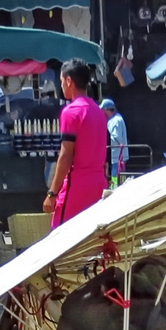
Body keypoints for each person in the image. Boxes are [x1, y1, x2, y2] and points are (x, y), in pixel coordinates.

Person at [45, 59, 109, 225]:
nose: (61, 86)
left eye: (61, 81)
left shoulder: (71, 112)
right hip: (99, 184)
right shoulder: (99, 112)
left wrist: (52, 193)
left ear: (68, 81)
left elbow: (65, 156)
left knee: (60, 237)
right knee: (93, 239)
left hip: (77, 186)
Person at [102, 98, 129, 177]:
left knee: (116, 177)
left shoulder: (115, 120)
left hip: (117, 156)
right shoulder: (114, 119)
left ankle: (116, 188)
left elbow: (116, 137)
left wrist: (104, 140)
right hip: (117, 156)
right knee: (119, 177)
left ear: (106, 109)